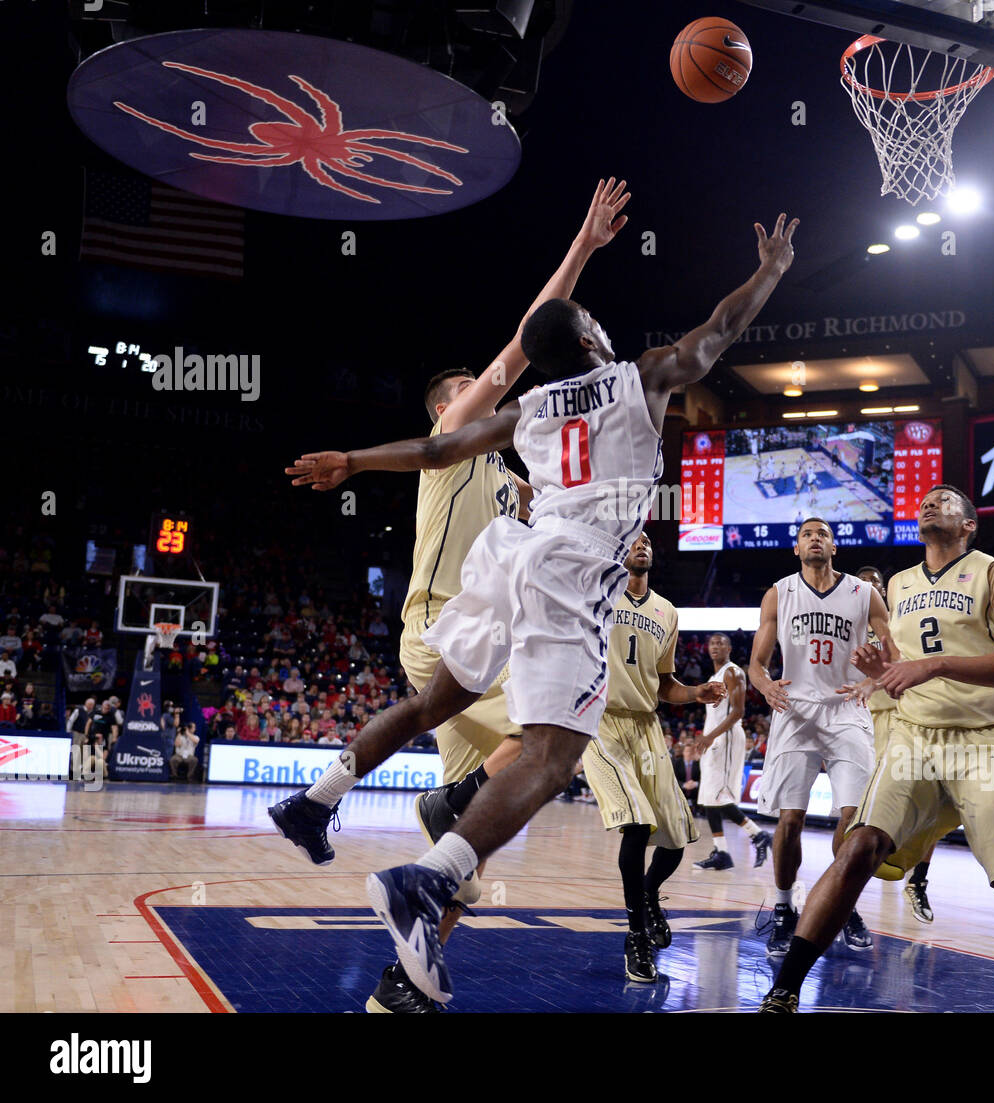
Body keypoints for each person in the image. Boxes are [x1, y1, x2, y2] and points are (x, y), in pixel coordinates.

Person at [278, 211, 799, 1004]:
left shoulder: (533, 409)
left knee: (431, 704)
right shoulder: (643, 375)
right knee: (553, 756)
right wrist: (770, 270)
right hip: (567, 570)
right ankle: (430, 875)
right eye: (593, 318)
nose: (601, 322)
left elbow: (434, 451)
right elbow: (719, 331)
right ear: (590, 337)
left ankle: (329, 805)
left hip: (509, 558)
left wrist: (352, 460)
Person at [272, 179, 631, 1014]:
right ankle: (387, 806)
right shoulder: (454, 442)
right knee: (559, 746)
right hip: (445, 625)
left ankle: (405, 975)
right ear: (447, 405)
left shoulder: (514, 472)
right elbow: (522, 345)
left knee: (478, 840)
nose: (492, 388)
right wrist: (581, 247)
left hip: (489, 634)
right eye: (472, 387)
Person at [759, 484, 994, 1014]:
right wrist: (882, 674)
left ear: (969, 523)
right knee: (857, 848)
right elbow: (902, 662)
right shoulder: (898, 584)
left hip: (984, 742)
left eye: (944, 500)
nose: (929, 502)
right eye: (925, 500)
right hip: (913, 737)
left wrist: (937, 664)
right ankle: (783, 991)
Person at [579, 533, 724, 982]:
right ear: (617, 550)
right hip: (600, 721)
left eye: (648, 540)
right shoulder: (597, 593)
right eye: (633, 540)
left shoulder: (667, 611)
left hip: (646, 727)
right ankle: (636, 934)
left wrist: (695, 693)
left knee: (678, 836)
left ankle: (647, 895)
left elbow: (666, 685)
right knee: (638, 825)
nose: (642, 544)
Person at [748, 518, 892, 957]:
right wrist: (766, 684)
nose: (814, 538)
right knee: (790, 820)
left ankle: (841, 903)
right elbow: (756, 663)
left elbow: (893, 656)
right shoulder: (779, 592)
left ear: (834, 546)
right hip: (795, 710)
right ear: (796, 549)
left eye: (822, 534)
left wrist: (871, 684)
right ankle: (784, 906)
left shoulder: (865, 593)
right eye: (807, 534)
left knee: (854, 819)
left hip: (848, 709)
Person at [857, 564, 936, 923]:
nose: (870, 587)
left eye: (875, 582)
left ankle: (918, 881)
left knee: (930, 804)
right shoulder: (848, 631)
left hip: (906, 718)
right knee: (855, 816)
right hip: (863, 725)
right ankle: (848, 901)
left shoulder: (904, 620)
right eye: (862, 584)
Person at [693, 633, 772, 870]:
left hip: (726, 738)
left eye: (720, 643)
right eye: (712, 643)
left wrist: (711, 735)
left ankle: (758, 835)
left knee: (720, 797)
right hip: (715, 738)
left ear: (729, 648)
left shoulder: (733, 672)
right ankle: (722, 852)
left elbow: (738, 712)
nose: (715, 646)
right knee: (708, 798)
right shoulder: (714, 676)